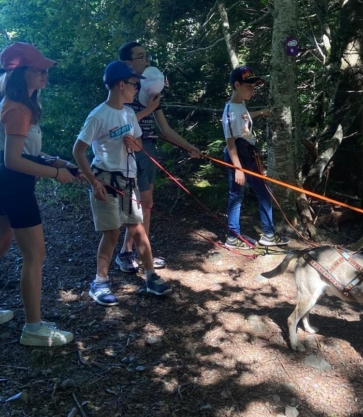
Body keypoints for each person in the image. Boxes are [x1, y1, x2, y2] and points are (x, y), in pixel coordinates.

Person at [72, 61, 172, 306]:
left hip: (129, 182)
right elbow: (78, 151)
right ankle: (100, 283)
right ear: (120, 85)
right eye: (134, 85)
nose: (137, 89)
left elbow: (137, 144)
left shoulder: (128, 113)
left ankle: (150, 277)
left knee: (138, 229)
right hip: (106, 182)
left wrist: (132, 144)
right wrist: (94, 182)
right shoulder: (99, 115)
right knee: (112, 232)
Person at [0, 42, 76, 346]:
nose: (45, 74)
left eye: (45, 69)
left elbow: (23, 151)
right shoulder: (17, 108)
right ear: (21, 74)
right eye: (38, 70)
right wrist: (58, 174)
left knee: (3, 243)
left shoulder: (20, 105)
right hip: (13, 184)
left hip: (7, 181)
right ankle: (33, 328)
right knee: (35, 255)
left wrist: (58, 162)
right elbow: (13, 160)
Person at [114, 42, 201, 273]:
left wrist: (189, 146)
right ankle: (127, 253)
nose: (147, 61)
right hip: (128, 151)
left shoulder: (151, 91)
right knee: (134, 204)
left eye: (147, 56)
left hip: (149, 148)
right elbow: (118, 124)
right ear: (128, 63)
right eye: (141, 57)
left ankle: (143, 253)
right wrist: (148, 111)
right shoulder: (120, 88)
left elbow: (164, 129)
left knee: (147, 204)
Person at [222, 65, 289, 249]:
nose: (253, 89)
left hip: (247, 154)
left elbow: (243, 118)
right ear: (237, 85)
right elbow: (230, 143)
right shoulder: (228, 112)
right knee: (242, 195)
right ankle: (239, 237)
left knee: (254, 193)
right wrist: (239, 169)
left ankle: (252, 235)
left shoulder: (239, 104)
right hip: (239, 156)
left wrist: (259, 113)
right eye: (249, 86)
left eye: (254, 86)